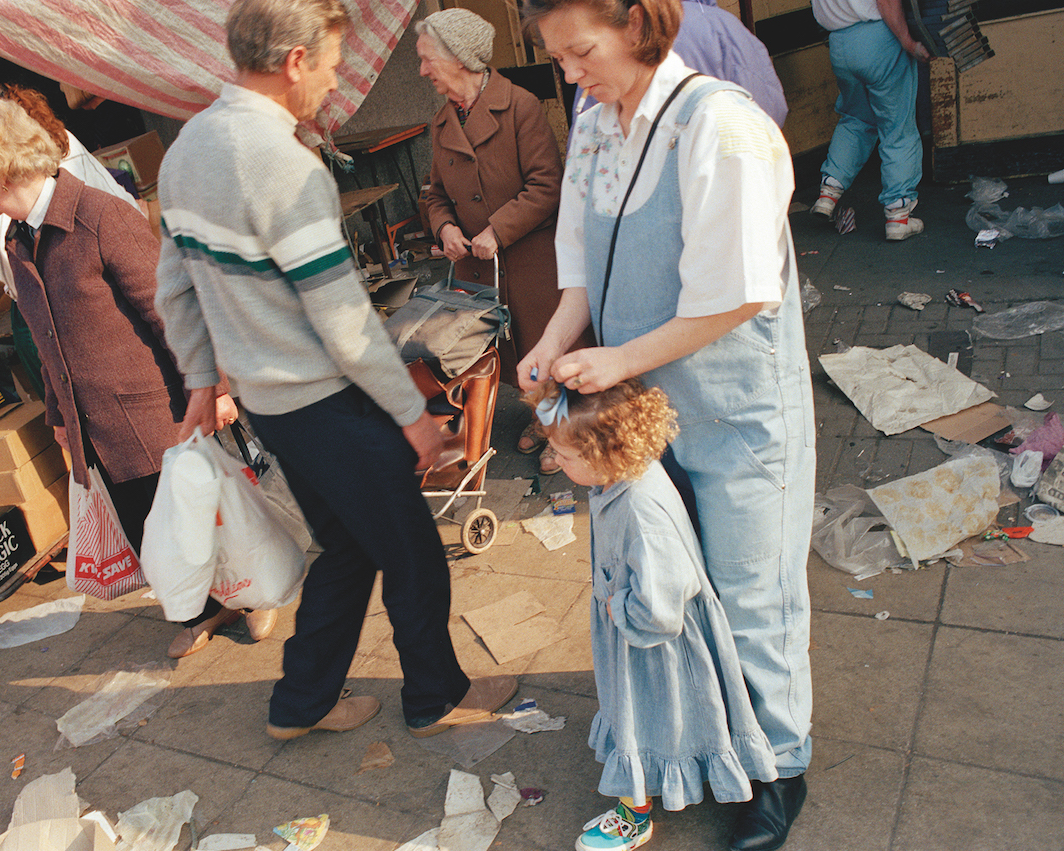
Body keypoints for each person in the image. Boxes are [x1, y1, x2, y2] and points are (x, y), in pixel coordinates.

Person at [154, 0, 516, 741]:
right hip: (329, 403)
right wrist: (413, 416)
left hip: (271, 406)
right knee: (414, 555)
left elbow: (174, 285)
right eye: (329, 64)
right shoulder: (284, 165)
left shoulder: (187, 148)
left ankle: (301, 702)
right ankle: (435, 698)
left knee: (349, 546)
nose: (334, 82)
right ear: (293, 61)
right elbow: (344, 320)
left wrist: (201, 380)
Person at [517, 0, 816, 847]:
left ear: (638, 25)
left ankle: (780, 764)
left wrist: (617, 360)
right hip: (648, 408)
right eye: (558, 59)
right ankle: (715, 737)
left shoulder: (722, 126)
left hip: (736, 405)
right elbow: (581, 262)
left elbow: (743, 290)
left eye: (581, 52)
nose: (570, 75)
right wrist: (551, 340)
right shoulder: (597, 123)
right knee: (678, 584)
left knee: (752, 586)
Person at [0, 98, 271, 660]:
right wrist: (59, 420)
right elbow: (47, 341)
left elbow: (173, 311)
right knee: (152, 533)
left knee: (198, 520)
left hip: (153, 410)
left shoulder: (100, 217)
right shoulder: (20, 238)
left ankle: (252, 593)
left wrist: (216, 387)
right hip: (95, 423)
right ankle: (204, 611)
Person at [526, 378, 777, 851]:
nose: (555, 462)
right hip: (643, 632)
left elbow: (661, 609)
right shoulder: (624, 478)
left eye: (564, 455)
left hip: (652, 643)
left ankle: (633, 816)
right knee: (663, 718)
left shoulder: (642, 512)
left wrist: (615, 606)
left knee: (643, 716)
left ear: (604, 453)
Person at [417, 7, 591, 475]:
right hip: (482, 268)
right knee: (511, 352)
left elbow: (547, 185)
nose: (422, 70)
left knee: (550, 346)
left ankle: (569, 432)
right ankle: (542, 416)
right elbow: (434, 196)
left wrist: (498, 229)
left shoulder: (520, 106)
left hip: (532, 259)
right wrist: (445, 228)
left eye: (428, 58)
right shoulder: (441, 123)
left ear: (458, 57)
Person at [0, 70, 143, 396]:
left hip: (51, 288)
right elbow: (120, 199)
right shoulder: (53, 133)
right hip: (109, 262)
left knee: (82, 394)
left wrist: (22, 291)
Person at [808, 0, 929, 241]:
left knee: (856, 118)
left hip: (839, 44)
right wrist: (906, 39)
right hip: (878, 39)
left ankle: (829, 191)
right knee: (897, 127)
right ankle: (898, 216)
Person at [571, 0, 787, 129]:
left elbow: (590, 132)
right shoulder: (724, 25)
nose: (569, 74)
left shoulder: (612, 41)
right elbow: (771, 110)